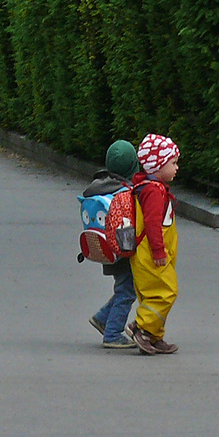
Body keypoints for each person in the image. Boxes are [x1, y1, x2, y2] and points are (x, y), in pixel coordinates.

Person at [86, 140, 141, 350]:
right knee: (127, 291)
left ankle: (102, 318)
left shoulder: (101, 186)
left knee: (123, 288)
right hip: (123, 248)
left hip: (106, 247)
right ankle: (112, 333)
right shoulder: (126, 191)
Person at [129, 134, 180, 356]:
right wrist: (159, 250)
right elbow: (152, 224)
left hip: (149, 252)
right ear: (157, 166)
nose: (177, 168)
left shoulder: (151, 188)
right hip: (151, 253)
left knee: (153, 293)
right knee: (167, 291)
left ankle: (154, 334)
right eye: (173, 163)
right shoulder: (154, 191)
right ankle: (142, 328)